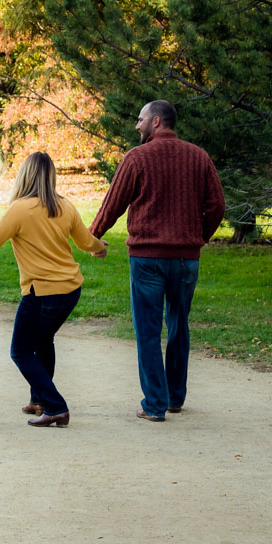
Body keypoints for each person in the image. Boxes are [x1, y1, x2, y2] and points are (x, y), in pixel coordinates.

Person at [89, 100, 225, 423]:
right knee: (179, 325)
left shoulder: (137, 158)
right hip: (185, 261)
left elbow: (113, 204)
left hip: (147, 259)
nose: (136, 126)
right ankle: (175, 397)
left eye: (141, 120)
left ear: (157, 122)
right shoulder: (199, 157)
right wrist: (198, 237)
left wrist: (93, 236)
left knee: (148, 331)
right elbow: (217, 205)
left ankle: (154, 404)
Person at [0, 152, 107, 428]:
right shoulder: (65, 207)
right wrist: (100, 248)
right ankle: (40, 400)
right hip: (70, 290)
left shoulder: (20, 209)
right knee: (43, 341)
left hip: (41, 293)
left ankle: (56, 406)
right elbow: (85, 240)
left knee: (20, 351)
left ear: (24, 175)